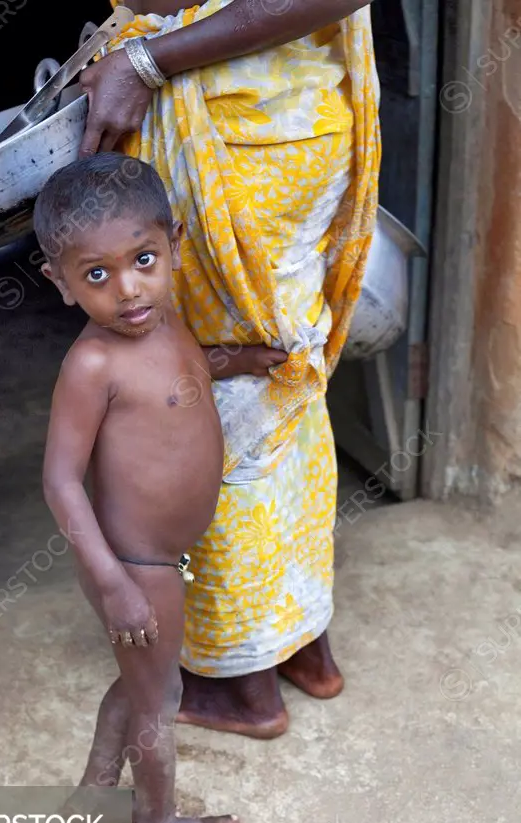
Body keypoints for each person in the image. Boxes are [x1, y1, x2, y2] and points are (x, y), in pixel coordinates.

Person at [72, 0, 381, 739]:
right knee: (284, 387)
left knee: (222, 408)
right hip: (278, 115)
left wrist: (147, 60)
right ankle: (307, 649)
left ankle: (246, 688)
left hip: (237, 130)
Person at [36, 154, 283, 823]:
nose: (128, 289)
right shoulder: (92, 365)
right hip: (134, 565)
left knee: (141, 681)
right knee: (159, 696)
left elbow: (185, 372)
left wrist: (235, 360)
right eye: (97, 275)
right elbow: (59, 480)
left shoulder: (166, 320)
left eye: (144, 259)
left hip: (156, 561)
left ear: (174, 244)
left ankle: (93, 794)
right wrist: (112, 582)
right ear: (60, 282)